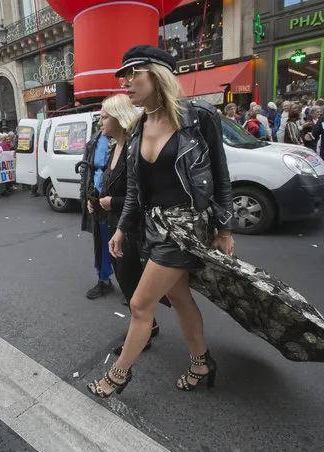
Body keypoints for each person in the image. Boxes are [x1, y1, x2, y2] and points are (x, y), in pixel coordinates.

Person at [88, 45, 234, 397]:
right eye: (122, 75)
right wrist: (122, 228)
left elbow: (221, 173)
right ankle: (202, 363)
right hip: (154, 228)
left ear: (157, 74)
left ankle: (118, 376)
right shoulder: (139, 127)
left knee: (140, 305)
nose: (125, 82)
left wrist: (225, 228)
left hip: (186, 227)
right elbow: (137, 191)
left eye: (132, 73)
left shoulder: (198, 117)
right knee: (180, 296)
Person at [96, 94, 161, 353]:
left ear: (119, 117)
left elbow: (143, 196)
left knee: (134, 287)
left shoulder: (135, 148)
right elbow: (111, 184)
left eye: (104, 116)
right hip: (115, 225)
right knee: (127, 282)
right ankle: (149, 325)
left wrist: (114, 202)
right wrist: (100, 200)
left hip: (133, 229)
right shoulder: (113, 147)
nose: (99, 121)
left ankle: (141, 335)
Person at [80, 129, 115, 299]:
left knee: (127, 246)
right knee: (101, 242)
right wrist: (87, 196)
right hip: (98, 200)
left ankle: (131, 285)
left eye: (105, 117)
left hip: (119, 202)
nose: (100, 122)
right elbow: (87, 171)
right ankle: (104, 281)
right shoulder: (95, 140)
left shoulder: (130, 137)